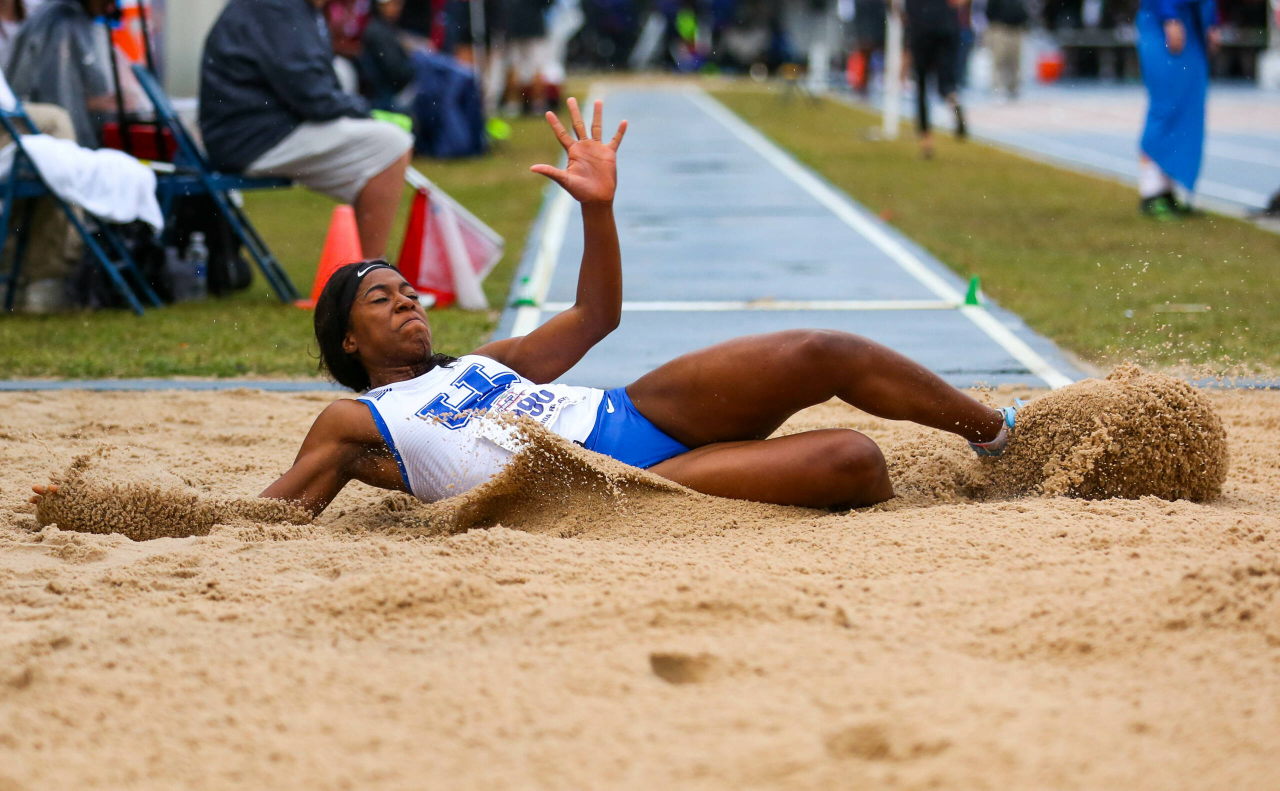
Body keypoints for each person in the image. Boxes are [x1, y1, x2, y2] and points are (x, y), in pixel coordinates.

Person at [31, 98, 1020, 515]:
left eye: (409, 286)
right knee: (852, 461)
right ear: (346, 336)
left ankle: (1000, 435)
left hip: (637, 412)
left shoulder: (482, 361)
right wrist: (110, 511)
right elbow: (275, 513)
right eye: (384, 295)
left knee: (819, 347)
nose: (410, 297)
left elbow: (592, 318)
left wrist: (598, 211)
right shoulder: (356, 420)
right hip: (621, 484)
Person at [199, 0, 414, 258]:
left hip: (256, 131)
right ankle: (372, 275)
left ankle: (366, 274)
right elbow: (314, 96)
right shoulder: (277, 8)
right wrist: (366, 113)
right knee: (391, 143)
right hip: (252, 140)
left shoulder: (290, 8)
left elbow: (316, 85)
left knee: (382, 140)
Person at [5, 0, 129, 148]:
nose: (112, 5)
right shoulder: (61, 24)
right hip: (50, 143)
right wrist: (99, 103)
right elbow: (58, 97)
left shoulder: (79, 22)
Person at [1135, 0, 1217, 219]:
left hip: (1193, 21)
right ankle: (1151, 192)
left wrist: (1211, 22)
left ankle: (1168, 192)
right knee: (1165, 106)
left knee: (1189, 108)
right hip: (1163, 20)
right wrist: (1169, 16)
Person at [905, 0, 968, 158]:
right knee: (946, 82)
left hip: (921, 26)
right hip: (947, 26)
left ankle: (926, 141)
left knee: (921, 85)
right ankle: (953, 99)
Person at [983, 0, 1029, 99]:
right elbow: (989, 12)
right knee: (999, 60)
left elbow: (1024, 11)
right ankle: (997, 88)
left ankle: (1013, 88)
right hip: (1000, 29)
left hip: (1016, 29)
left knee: (1015, 62)